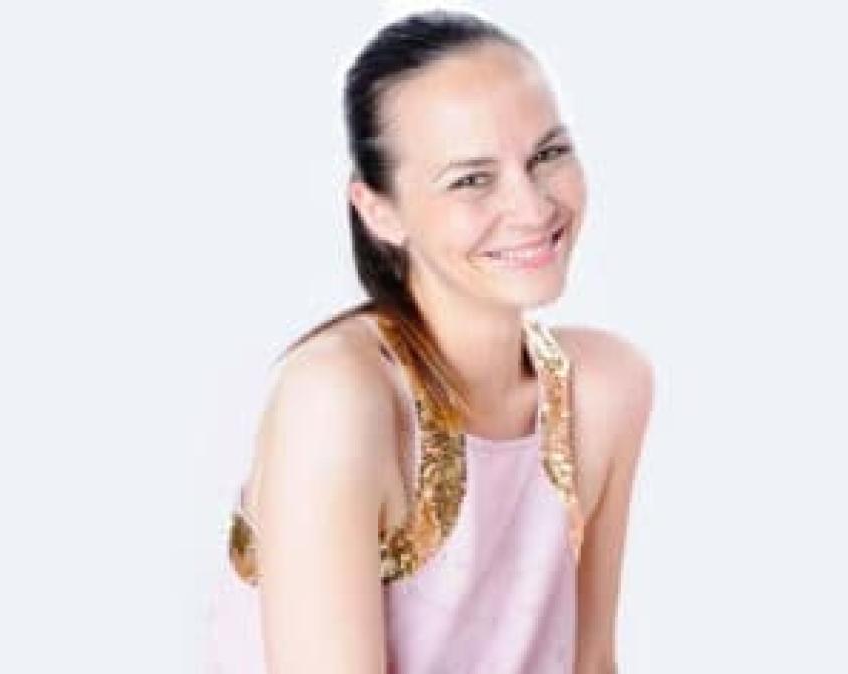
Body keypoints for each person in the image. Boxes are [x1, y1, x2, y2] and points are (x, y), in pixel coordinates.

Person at [205, 9, 653, 673]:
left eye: (547, 155)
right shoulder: (337, 398)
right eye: (471, 179)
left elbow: (591, 662)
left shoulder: (607, 388)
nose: (533, 208)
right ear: (379, 211)